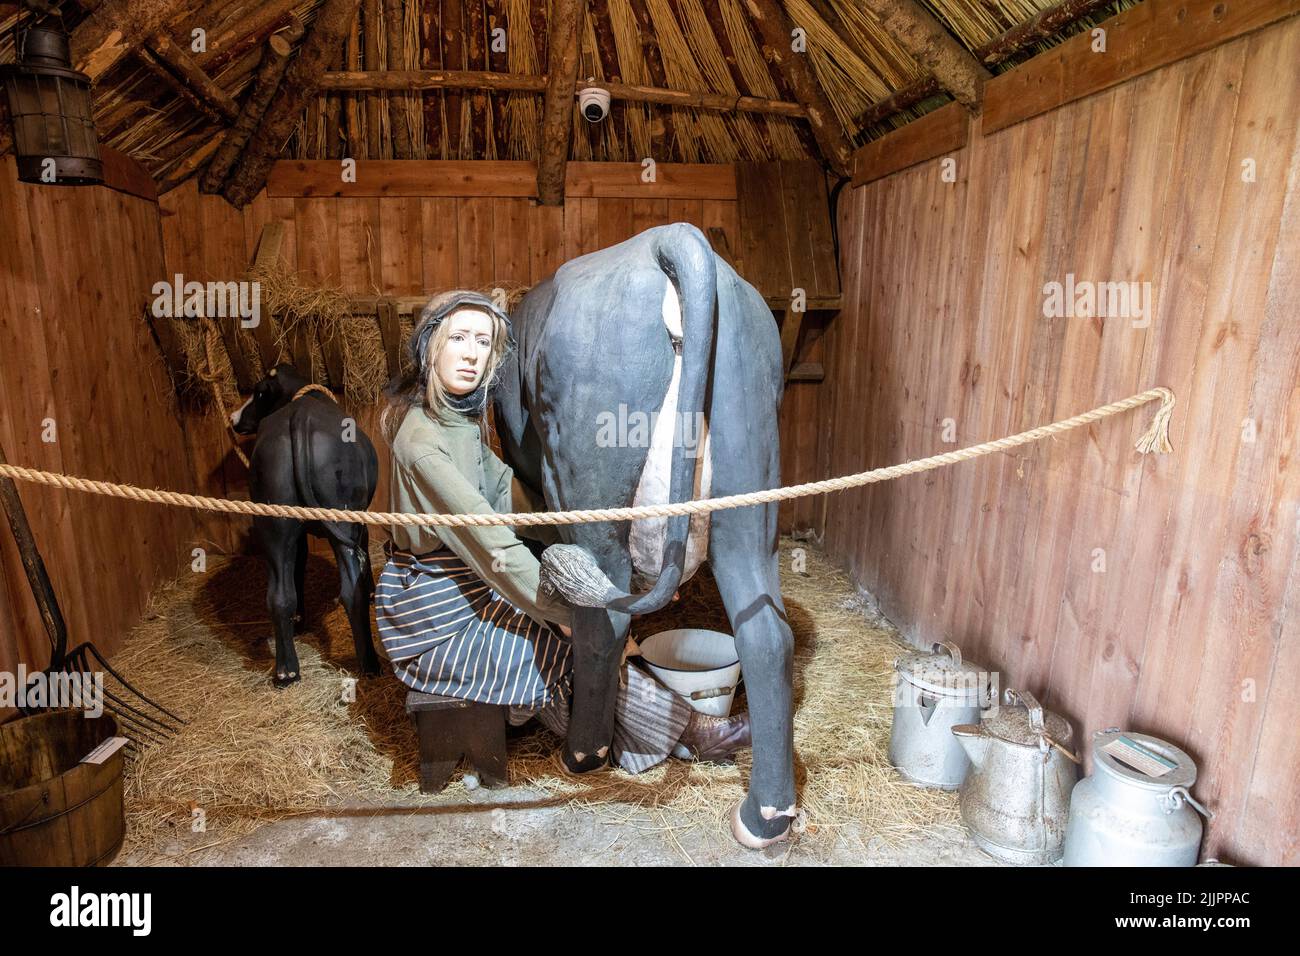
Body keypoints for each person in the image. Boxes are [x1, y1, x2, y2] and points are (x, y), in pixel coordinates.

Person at [374, 290, 750, 773]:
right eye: (458, 338)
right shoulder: (422, 443)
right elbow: (495, 550)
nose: (471, 353)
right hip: (433, 618)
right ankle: (693, 731)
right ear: (431, 347)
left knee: (576, 632)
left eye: (484, 342)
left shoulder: (457, 423)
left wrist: (597, 542)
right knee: (575, 640)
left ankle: (659, 732)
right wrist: (577, 612)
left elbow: (509, 493)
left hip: (468, 589)